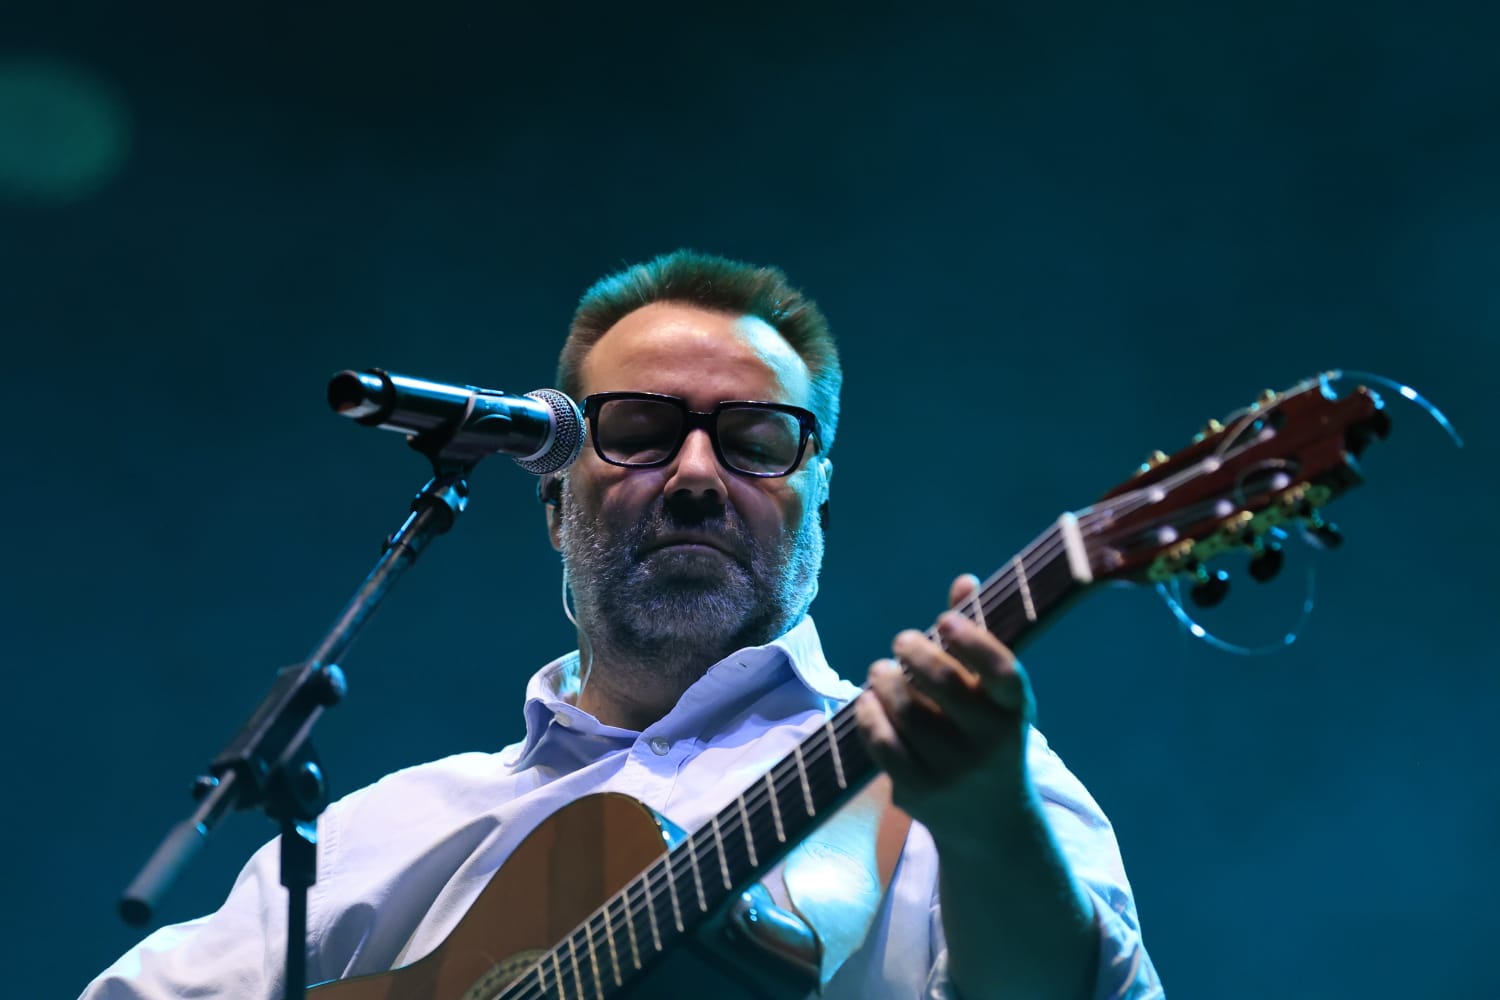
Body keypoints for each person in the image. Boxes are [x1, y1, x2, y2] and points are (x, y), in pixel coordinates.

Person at [83, 250, 1161, 999]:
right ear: (553, 501)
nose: (696, 473)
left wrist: (986, 821)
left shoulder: (953, 770)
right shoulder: (377, 837)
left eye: (755, 439)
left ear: (817, 499)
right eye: (639, 431)